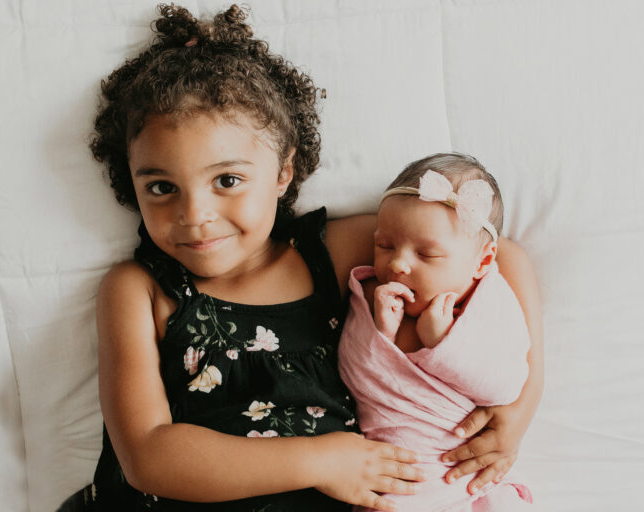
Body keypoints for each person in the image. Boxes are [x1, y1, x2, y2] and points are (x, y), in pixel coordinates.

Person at [58, 5, 543, 512]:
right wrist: (321, 461)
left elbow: (501, 255)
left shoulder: (326, 254)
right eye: (161, 187)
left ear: (284, 173)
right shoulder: (138, 290)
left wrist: (521, 406)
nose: (194, 214)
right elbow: (147, 456)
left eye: (227, 180)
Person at [338, 153, 536, 511]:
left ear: (483, 261)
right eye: (385, 245)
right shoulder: (370, 293)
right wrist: (380, 334)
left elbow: (506, 385)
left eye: (426, 255)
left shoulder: (488, 302)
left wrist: (445, 342)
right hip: (392, 484)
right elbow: (354, 375)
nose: (397, 263)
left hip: (458, 481)